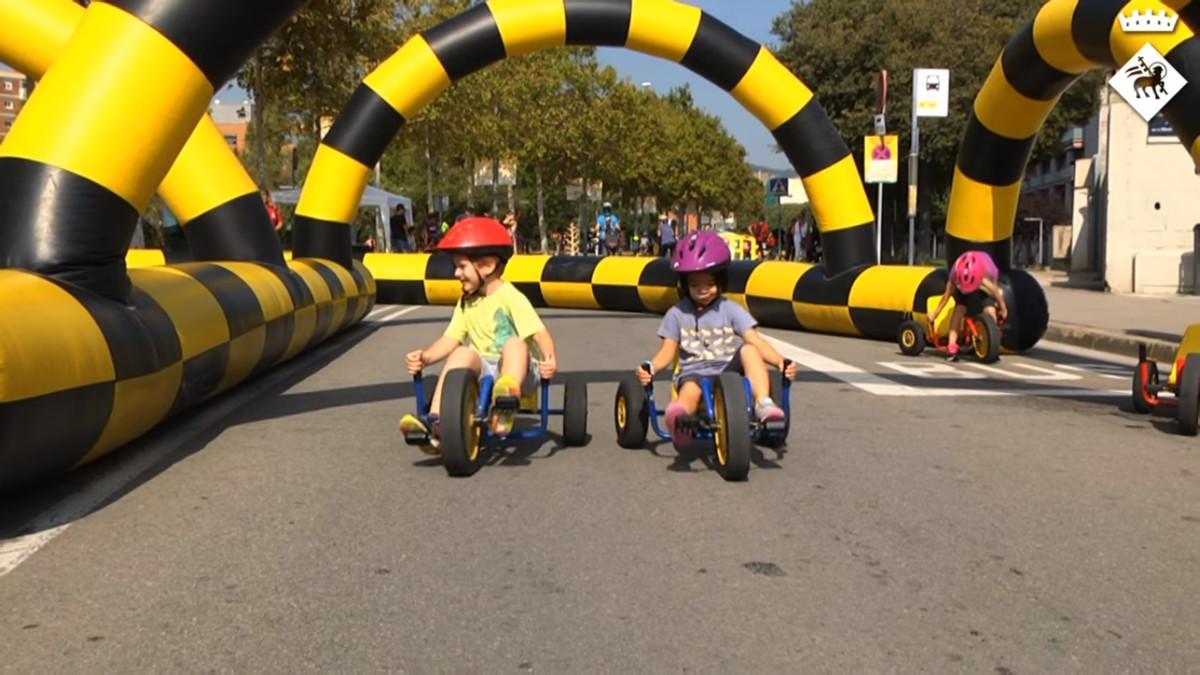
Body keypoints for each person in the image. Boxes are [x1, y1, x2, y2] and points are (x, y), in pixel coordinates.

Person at [400, 217, 560, 452]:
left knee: (514, 343)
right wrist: (425, 357)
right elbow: (450, 339)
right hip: (484, 369)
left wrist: (550, 359)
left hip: (519, 370)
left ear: (486, 266)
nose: (456, 273)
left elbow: (539, 334)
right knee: (462, 352)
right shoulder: (466, 302)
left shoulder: (510, 297)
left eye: (462, 266)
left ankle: (506, 400)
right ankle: (436, 422)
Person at [636, 231, 798, 446]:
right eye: (695, 285)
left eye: (709, 284)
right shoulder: (677, 314)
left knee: (749, 349)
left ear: (721, 281)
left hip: (728, 370)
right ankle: (680, 418)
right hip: (695, 372)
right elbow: (667, 352)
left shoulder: (730, 309)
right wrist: (650, 367)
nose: (703, 291)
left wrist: (781, 361)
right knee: (690, 390)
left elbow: (755, 339)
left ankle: (763, 404)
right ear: (685, 285)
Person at [928, 250, 1009, 362]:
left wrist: (1003, 308)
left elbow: (995, 291)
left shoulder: (989, 270)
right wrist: (935, 314)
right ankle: (952, 346)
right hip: (963, 291)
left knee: (990, 311)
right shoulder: (955, 273)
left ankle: (990, 342)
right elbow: (946, 297)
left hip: (983, 287)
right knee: (960, 309)